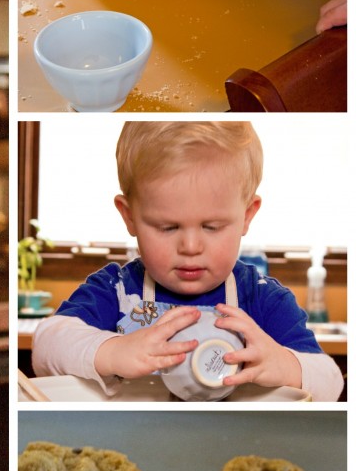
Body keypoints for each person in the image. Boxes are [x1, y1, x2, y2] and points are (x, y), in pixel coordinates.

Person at [32, 121, 343, 402]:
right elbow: (46, 346)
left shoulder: (262, 299)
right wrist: (113, 351)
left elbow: (330, 382)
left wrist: (282, 364)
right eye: (168, 227)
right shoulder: (116, 291)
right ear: (129, 217)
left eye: (212, 227)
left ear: (247, 216)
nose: (191, 246)